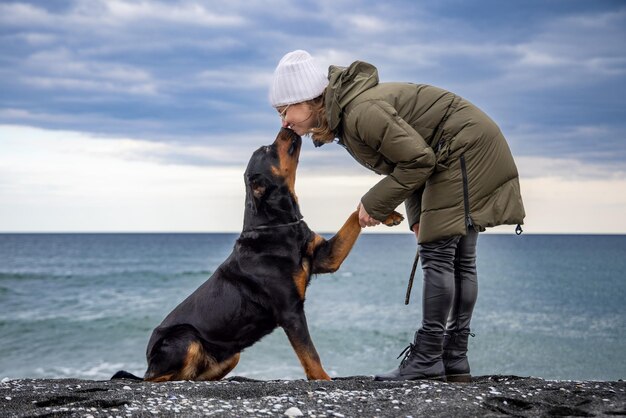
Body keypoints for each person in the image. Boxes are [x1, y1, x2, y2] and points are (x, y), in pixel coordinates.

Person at [269, 50, 525, 382]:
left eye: (284, 111)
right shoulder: (350, 113)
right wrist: (418, 215)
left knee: (439, 254)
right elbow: (410, 159)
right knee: (458, 257)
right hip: (465, 147)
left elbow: (420, 161)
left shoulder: (360, 113)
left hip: (464, 149)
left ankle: (430, 357)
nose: (284, 123)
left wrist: (372, 204)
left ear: (306, 100)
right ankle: (452, 360)